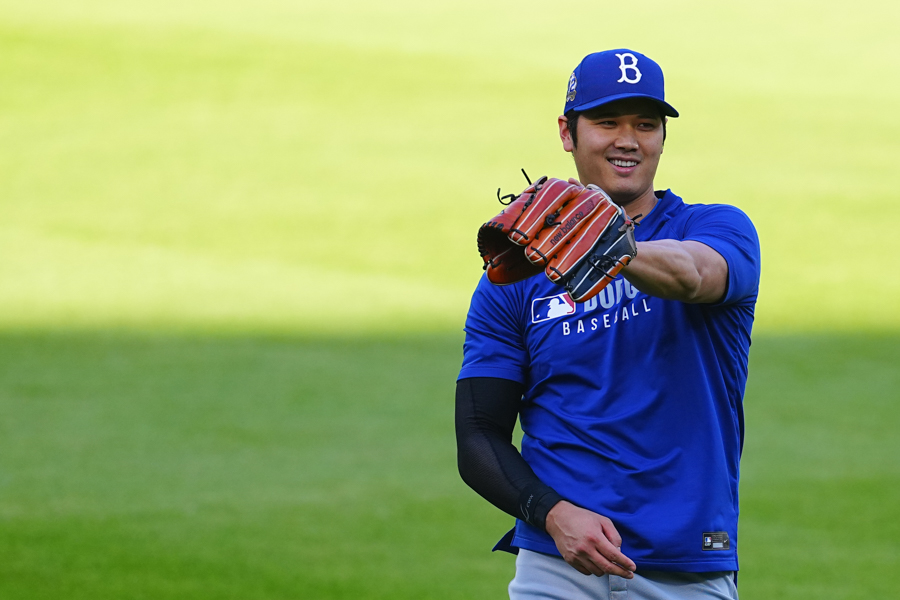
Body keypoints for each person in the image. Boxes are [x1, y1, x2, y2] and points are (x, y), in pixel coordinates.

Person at [455, 49, 760, 600]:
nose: (628, 140)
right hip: (557, 569)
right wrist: (551, 513)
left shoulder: (716, 227)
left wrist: (612, 246)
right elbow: (478, 433)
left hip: (687, 568)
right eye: (607, 122)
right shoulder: (517, 275)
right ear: (567, 133)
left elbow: (695, 274)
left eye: (646, 124)